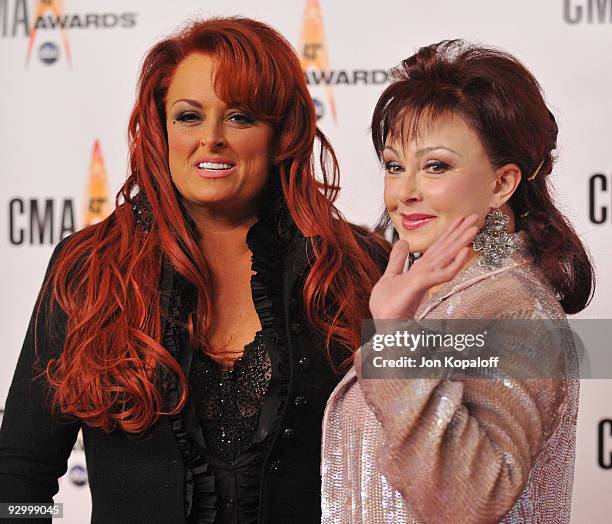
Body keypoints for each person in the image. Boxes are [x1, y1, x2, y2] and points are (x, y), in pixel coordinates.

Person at [0, 17, 388, 524]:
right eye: (188, 116)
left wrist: (497, 256)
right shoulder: (87, 268)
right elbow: (20, 471)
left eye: (241, 117)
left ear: (281, 135)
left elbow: (450, 446)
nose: (211, 139)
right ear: (162, 130)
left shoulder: (362, 268)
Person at [321, 40, 594, 523]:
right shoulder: (442, 295)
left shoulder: (513, 311)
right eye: (393, 165)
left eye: (436, 166)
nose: (405, 192)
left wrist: (395, 336)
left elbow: (465, 500)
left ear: (501, 184)